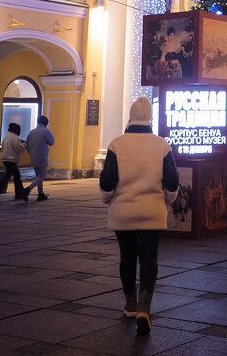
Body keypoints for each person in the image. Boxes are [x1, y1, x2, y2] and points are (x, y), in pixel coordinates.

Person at [99, 97, 179, 336]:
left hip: (123, 211)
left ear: (130, 117)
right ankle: (145, 306)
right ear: (150, 118)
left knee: (127, 256)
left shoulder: (116, 144)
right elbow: (172, 182)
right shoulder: (162, 145)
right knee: (149, 258)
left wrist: (108, 198)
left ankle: (130, 304)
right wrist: (167, 199)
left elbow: (107, 182)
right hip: (152, 211)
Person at [0, 122, 27, 202]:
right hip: (11, 160)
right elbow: (18, 149)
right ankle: (20, 193)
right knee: (16, 176)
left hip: (6, 159)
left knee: (7, 177)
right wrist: (24, 145)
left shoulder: (6, 136)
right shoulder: (15, 138)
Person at [23, 116, 55, 201]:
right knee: (42, 176)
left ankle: (40, 193)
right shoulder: (45, 131)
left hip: (33, 156)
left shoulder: (31, 132)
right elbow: (51, 142)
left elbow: (27, 145)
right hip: (42, 155)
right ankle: (27, 189)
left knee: (38, 176)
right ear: (46, 123)